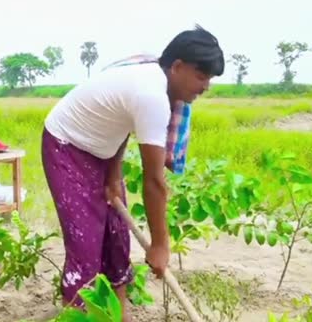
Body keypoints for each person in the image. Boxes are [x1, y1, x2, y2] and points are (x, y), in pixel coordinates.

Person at [40, 25, 224, 319]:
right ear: (177, 67)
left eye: (209, 79)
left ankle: (118, 317)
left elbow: (121, 122)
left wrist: (113, 174)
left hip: (102, 151)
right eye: (201, 77)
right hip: (67, 145)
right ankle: (75, 314)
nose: (205, 86)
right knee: (85, 250)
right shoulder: (151, 95)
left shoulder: (157, 83)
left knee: (116, 240)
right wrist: (161, 246)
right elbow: (154, 182)